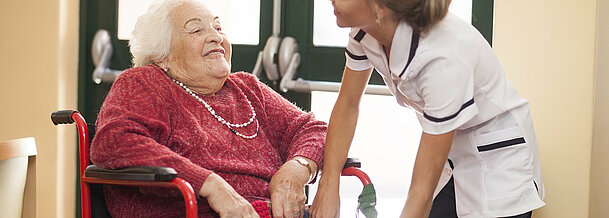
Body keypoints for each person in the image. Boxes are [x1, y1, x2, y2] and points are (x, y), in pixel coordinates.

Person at [90, 0, 326, 217]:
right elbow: (114, 141)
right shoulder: (145, 83)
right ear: (161, 55)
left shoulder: (247, 88)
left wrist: (297, 168)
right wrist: (210, 185)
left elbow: (313, 130)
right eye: (196, 30)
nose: (215, 36)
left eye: (218, 28)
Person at [310, 0, 545, 217]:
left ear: (379, 8)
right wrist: (328, 183)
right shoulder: (366, 31)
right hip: (451, 153)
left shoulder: (443, 61)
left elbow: (420, 193)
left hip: (498, 164)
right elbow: (348, 103)